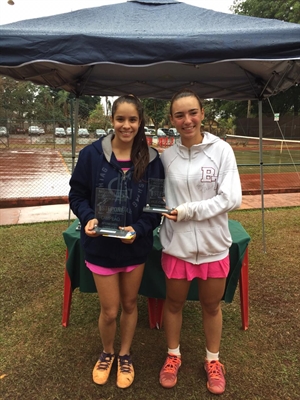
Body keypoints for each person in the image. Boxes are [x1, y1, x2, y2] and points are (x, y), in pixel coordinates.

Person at [69, 94, 164, 389]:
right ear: (111, 121)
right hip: (101, 247)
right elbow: (77, 195)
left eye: (132, 120)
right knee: (109, 310)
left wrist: (138, 227)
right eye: (120, 119)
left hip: (134, 246)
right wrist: (88, 218)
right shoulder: (91, 155)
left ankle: (125, 355)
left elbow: (155, 206)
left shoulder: (151, 159)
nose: (126, 125)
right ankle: (107, 352)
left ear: (140, 122)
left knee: (130, 303)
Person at [158, 89, 242, 394]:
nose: (187, 120)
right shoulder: (167, 157)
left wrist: (189, 211)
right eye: (179, 115)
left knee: (211, 306)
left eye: (192, 112)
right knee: (174, 303)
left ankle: (213, 360)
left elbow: (231, 198)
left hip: (213, 247)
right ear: (172, 120)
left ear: (202, 113)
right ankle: (173, 355)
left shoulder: (222, 150)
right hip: (177, 247)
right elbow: (159, 199)